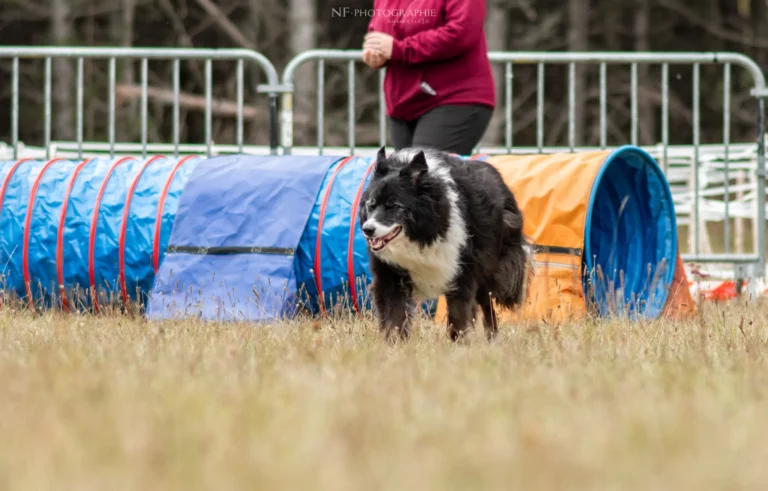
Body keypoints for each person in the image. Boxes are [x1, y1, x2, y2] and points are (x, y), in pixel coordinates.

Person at [362, 0, 495, 155]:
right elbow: (378, 33)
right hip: (403, 105)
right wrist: (376, 53)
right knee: (409, 170)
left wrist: (399, 49)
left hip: (454, 97)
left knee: (425, 168)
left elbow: (461, 33)